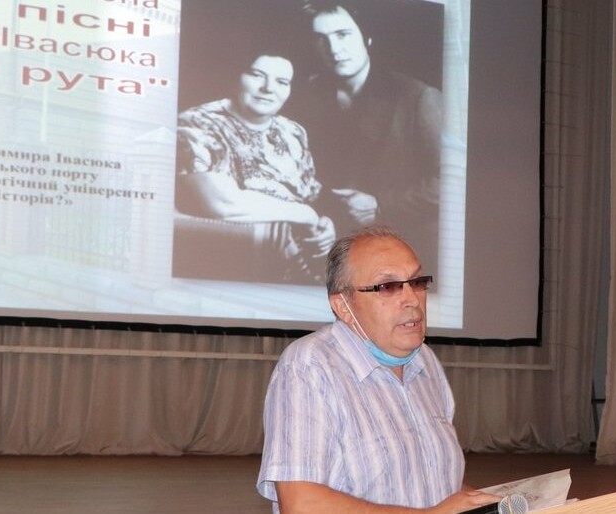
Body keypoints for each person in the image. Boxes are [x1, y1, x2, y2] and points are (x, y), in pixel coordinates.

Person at [257, 226, 497, 513]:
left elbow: (434, 485)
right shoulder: (310, 366)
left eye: (417, 282)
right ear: (343, 306)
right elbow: (302, 504)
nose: (412, 299)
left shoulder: (425, 361)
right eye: (388, 287)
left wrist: (489, 504)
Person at [175, 50, 371, 283]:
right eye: (257, 75)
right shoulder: (197, 123)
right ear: (237, 77)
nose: (268, 88)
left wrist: (324, 225)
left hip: (300, 257)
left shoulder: (292, 131)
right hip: (238, 259)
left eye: (282, 82)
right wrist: (306, 216)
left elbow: (310, 196)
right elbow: (222, 204)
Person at [289, 0, 445, 275]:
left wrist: (381, 205)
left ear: (367, 38)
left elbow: (451, 184)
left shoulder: (418, 97)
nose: (334, 49)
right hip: (329, 246)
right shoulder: (305, 97)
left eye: (343, 34)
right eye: (321, 39)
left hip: (402, 246)